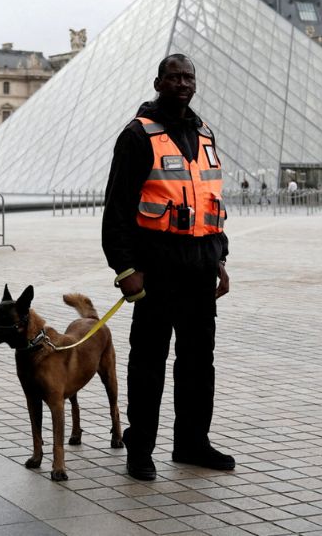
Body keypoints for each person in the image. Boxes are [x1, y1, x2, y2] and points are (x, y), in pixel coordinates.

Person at [102, 53, 234, 482]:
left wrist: (222, 259)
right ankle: (139, 448)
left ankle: (192, 442)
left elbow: (210, 202)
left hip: (199, 269)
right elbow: (117, 210)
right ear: (158, 82)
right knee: (148, 363)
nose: (182, 83)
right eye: (174, 77)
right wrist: (125, 270)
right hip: (156, 272)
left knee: (199, 362)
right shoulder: (137, 136)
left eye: (188, 77)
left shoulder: (205, 133)